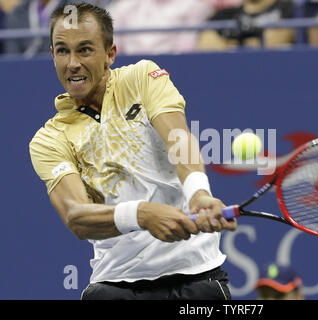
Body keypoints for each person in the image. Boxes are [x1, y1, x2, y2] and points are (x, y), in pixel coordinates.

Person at [29, 2, 237, 300]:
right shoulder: (49, 138)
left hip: (196, 279)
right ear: (52, 55)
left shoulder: (143, 77)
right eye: (62, 50)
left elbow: (177, 137)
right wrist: (141, 215)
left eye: (85, 49)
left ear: (110, 54)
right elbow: (76, 216)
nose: (72, 63)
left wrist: (198, 193)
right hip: (115, 287)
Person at [198, 0, 296, 51]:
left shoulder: (287, 8)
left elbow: (274, 42)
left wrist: (232, 44)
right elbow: (206, 43)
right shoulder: (226, 14)